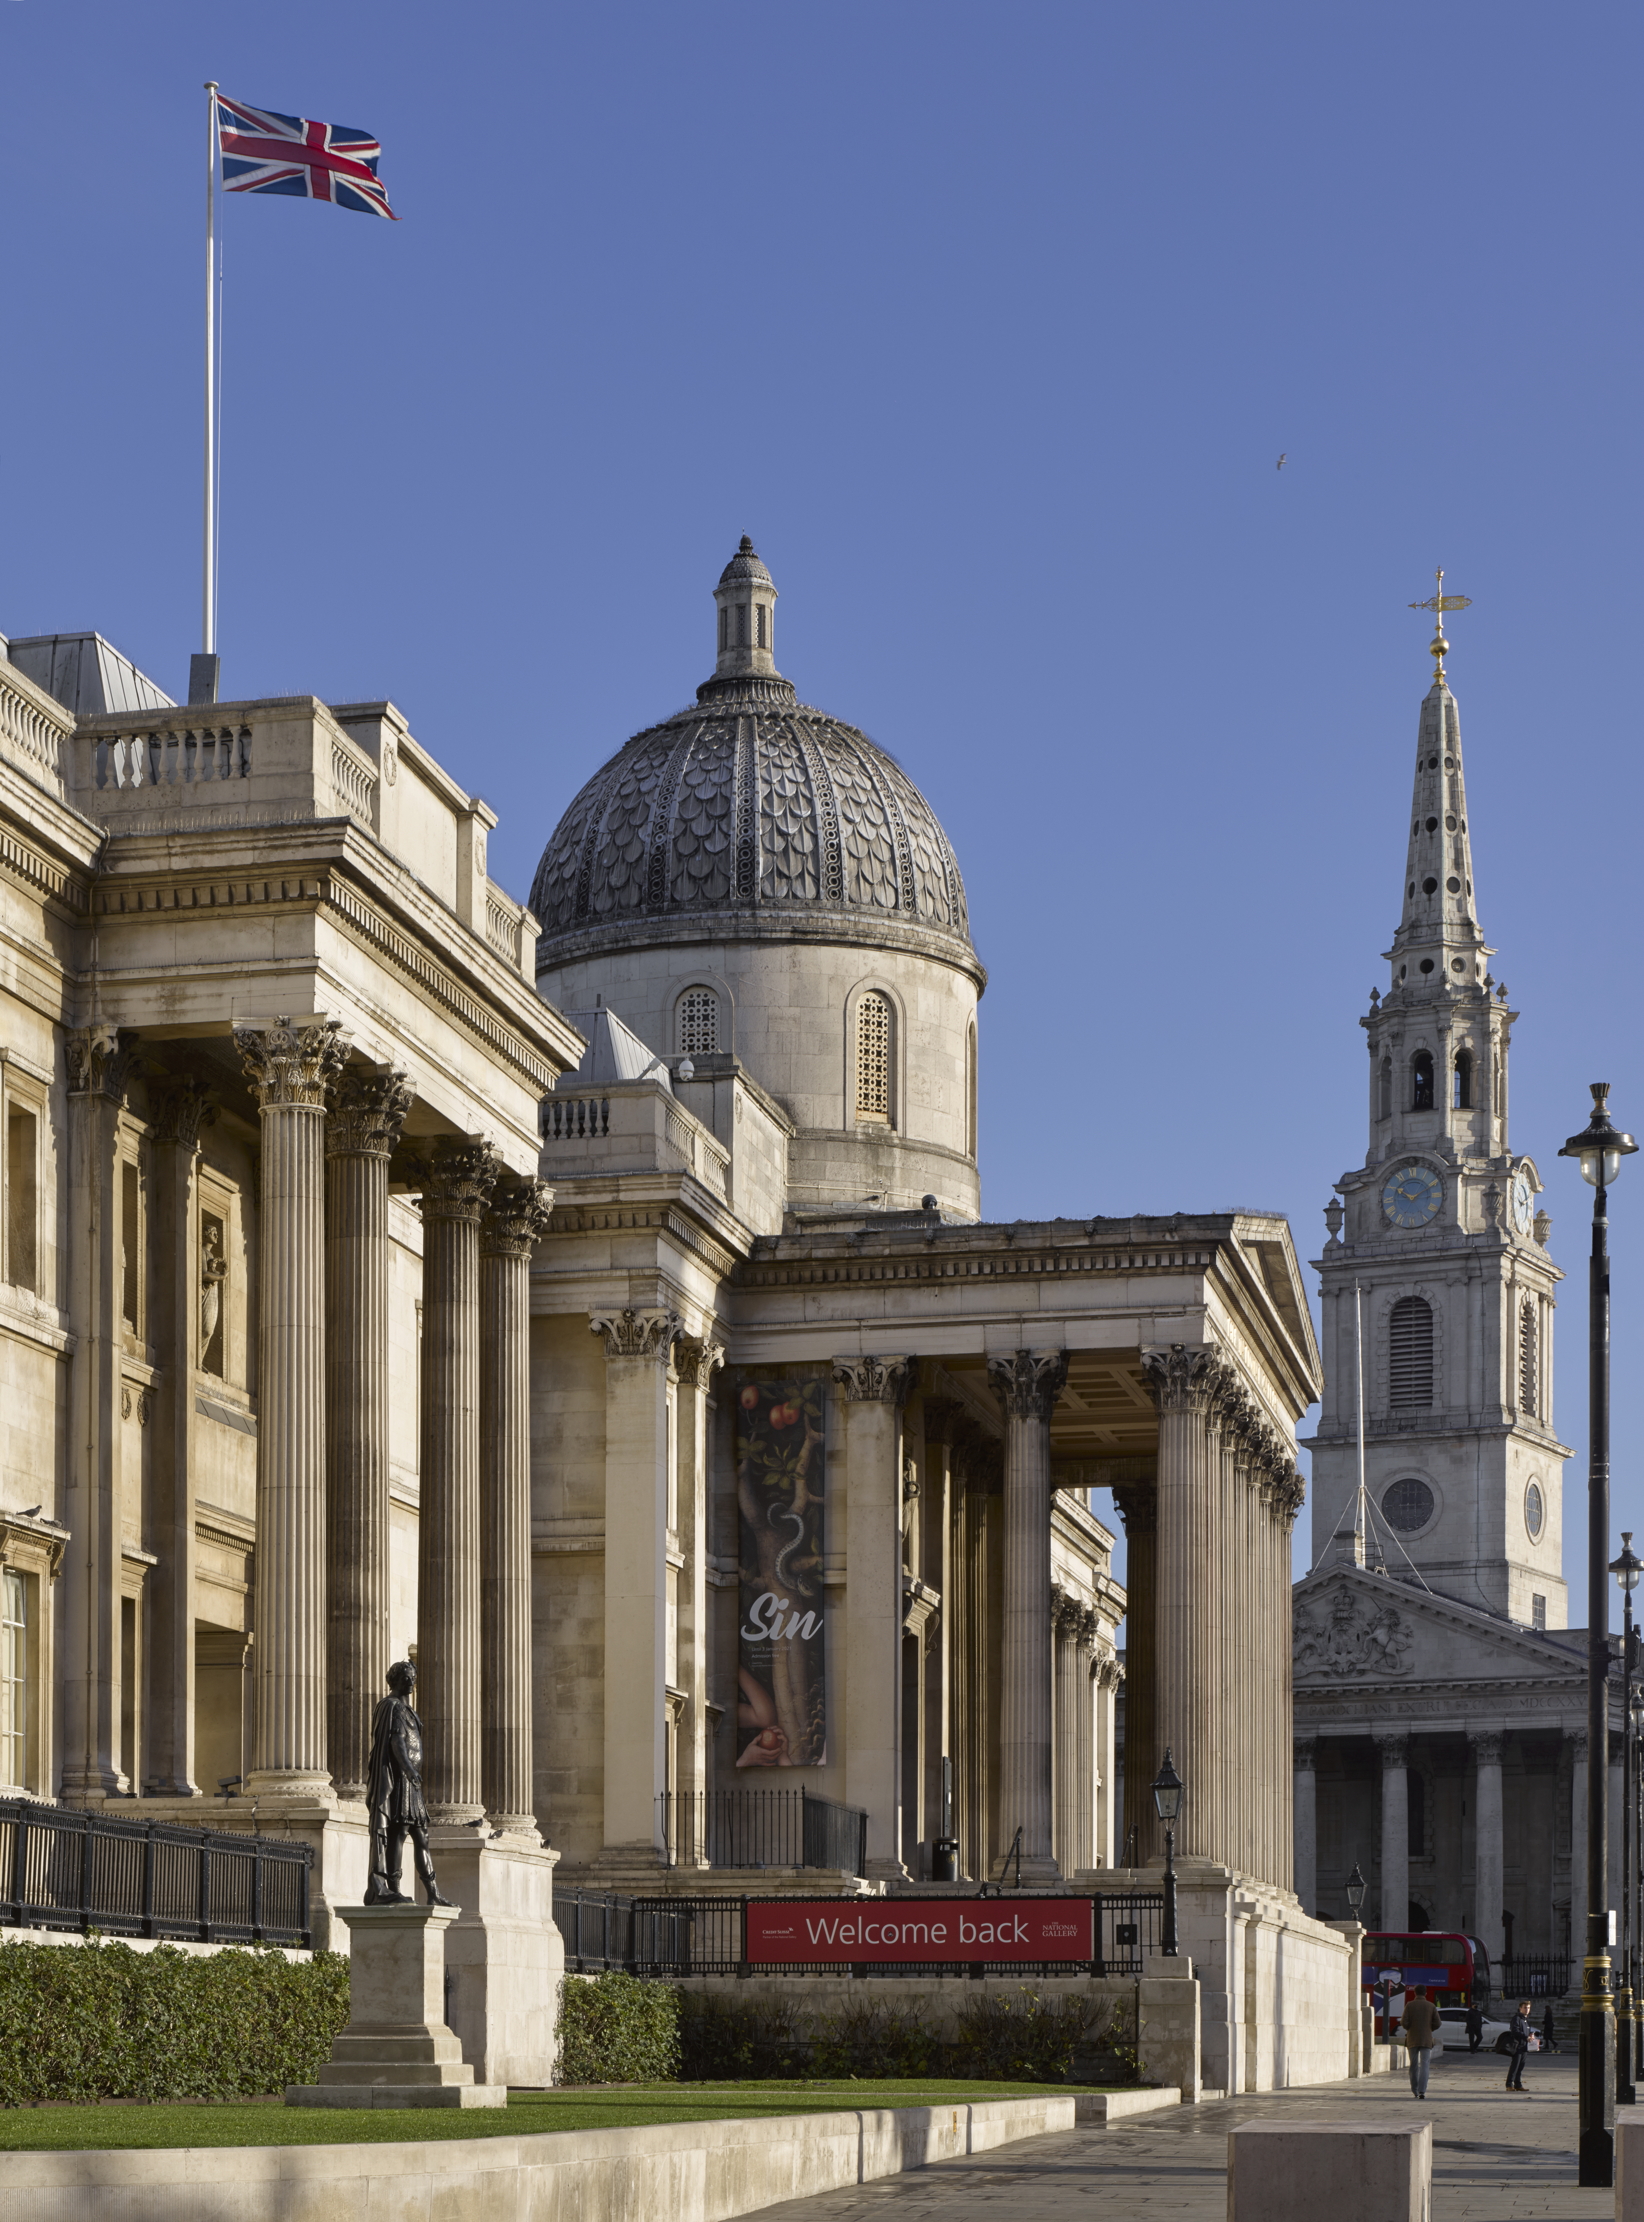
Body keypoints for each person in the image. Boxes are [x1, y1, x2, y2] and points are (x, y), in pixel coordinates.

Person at [364, 1659, 452, 1906]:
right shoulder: (390, 1706)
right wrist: (409, 1770)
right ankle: (393, 1889)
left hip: (412, 1783)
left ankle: (433, 1893)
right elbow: (396, 1742)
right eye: (406, 1678)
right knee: (399, 1833)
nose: (411, 1681)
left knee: (421, 1835)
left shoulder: (408, 1710)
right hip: (399, 1780)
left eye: (413, 1677)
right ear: (395, 1680)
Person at [1400, 1985, 1441, 2099]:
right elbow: (1438, 2023)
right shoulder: (1431, 2006)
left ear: (1415, 1993)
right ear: (1426, 1993)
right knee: (1425, 2064)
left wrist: (1410, 2028)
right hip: (1426, 2039)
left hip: (1412, 2038)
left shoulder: (1409, 2005)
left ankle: (1415, 2090)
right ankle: (1422, 2090)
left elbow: (1404, 2022)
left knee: (1413, 2065)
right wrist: (1429, 2029)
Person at [1506, 1999, 1533, 2091]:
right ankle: (1509, 2084)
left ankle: (1518, 2084)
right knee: (1515, 2065)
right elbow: (1515, 2030)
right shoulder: (1517, 2018)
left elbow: (1527, 2030)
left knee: (1521, 2066)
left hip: (1524, 2046)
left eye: (1528, 2008)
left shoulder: (1526, 2020)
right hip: (1517, 2045)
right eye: (1525, 2008)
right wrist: (1526, 2036)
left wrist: (1530, 2035)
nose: (1527, 2010)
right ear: (1520, 2008)